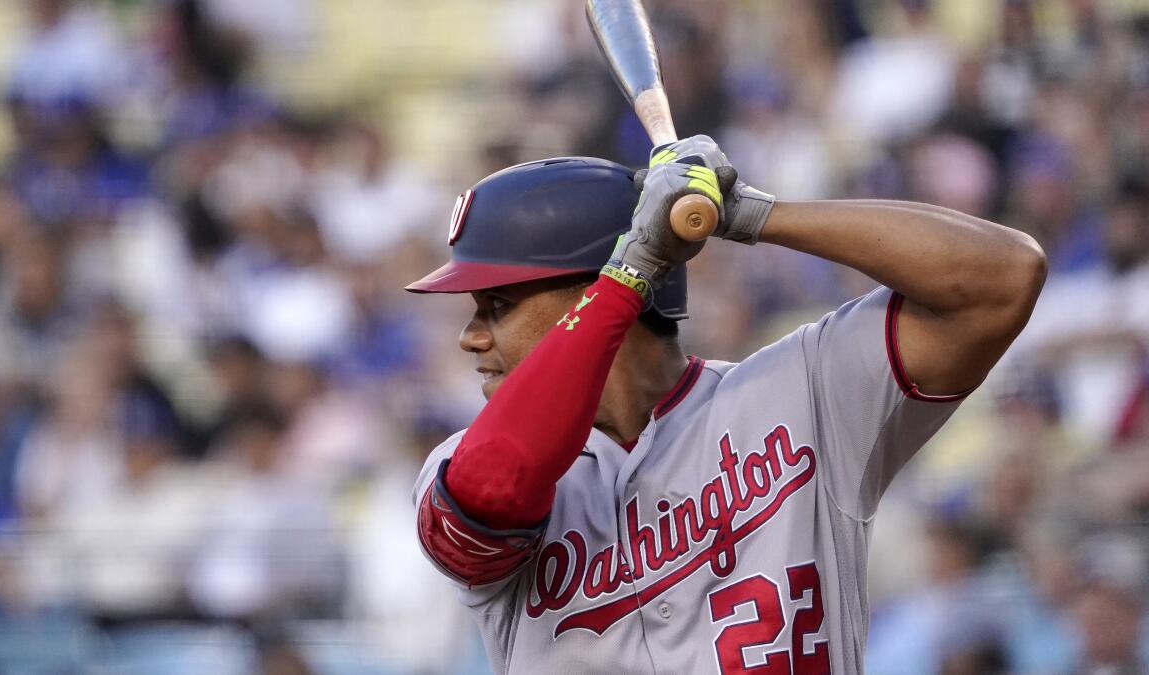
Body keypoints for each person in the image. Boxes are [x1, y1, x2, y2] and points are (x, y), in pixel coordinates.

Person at [406, 137, 1046, 674]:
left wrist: (752, 215)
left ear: (585, 290)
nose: (472, 335)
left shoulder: (803, 390)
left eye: (498, 305)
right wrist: (633, 269)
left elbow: (1003, 279)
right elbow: (496, 482)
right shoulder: (458, 461)